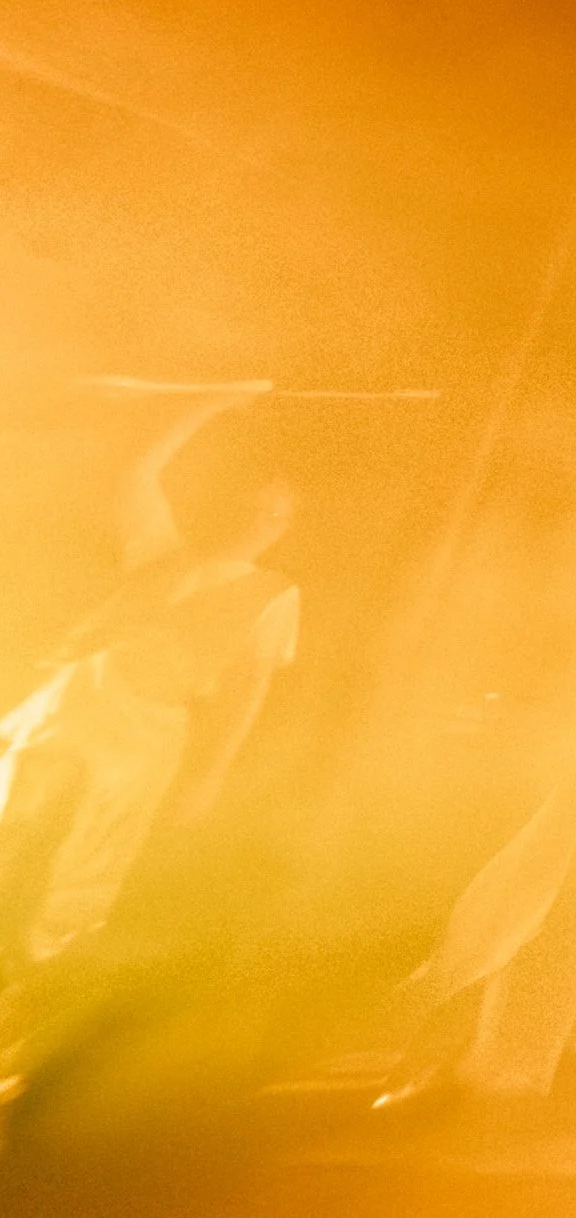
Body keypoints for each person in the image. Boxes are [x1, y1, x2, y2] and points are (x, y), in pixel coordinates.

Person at [376, 538, 576, 1107]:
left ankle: (518, 1065)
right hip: (566, 768)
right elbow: (556, 697)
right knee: (508, 910)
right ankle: (436, 1050)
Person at [0, 385, 299, 972]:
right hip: (70, 704)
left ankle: (22, 993)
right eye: (252, 506)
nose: (261, 522)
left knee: (84, 870)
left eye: (277, 515)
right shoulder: (159, 551)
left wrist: (207, 779)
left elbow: (248, 693)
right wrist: (218, 400)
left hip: (146, 733)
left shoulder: (274, 595)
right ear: (228, 504)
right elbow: (142, 469)